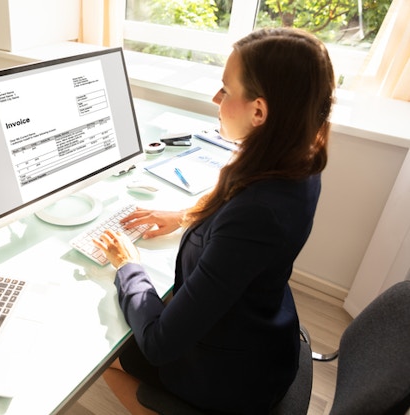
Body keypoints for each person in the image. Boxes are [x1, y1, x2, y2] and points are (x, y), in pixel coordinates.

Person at [93, 27, 335, 415]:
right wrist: (184, 215)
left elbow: (159, 343)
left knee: (101, 345)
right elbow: (239, 211)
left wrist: (128, 266)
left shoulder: (258, 213)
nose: (215, 99)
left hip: (232, 379)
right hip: (266, 334)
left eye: (226, 89)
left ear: (259, 111)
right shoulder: (299, 160)